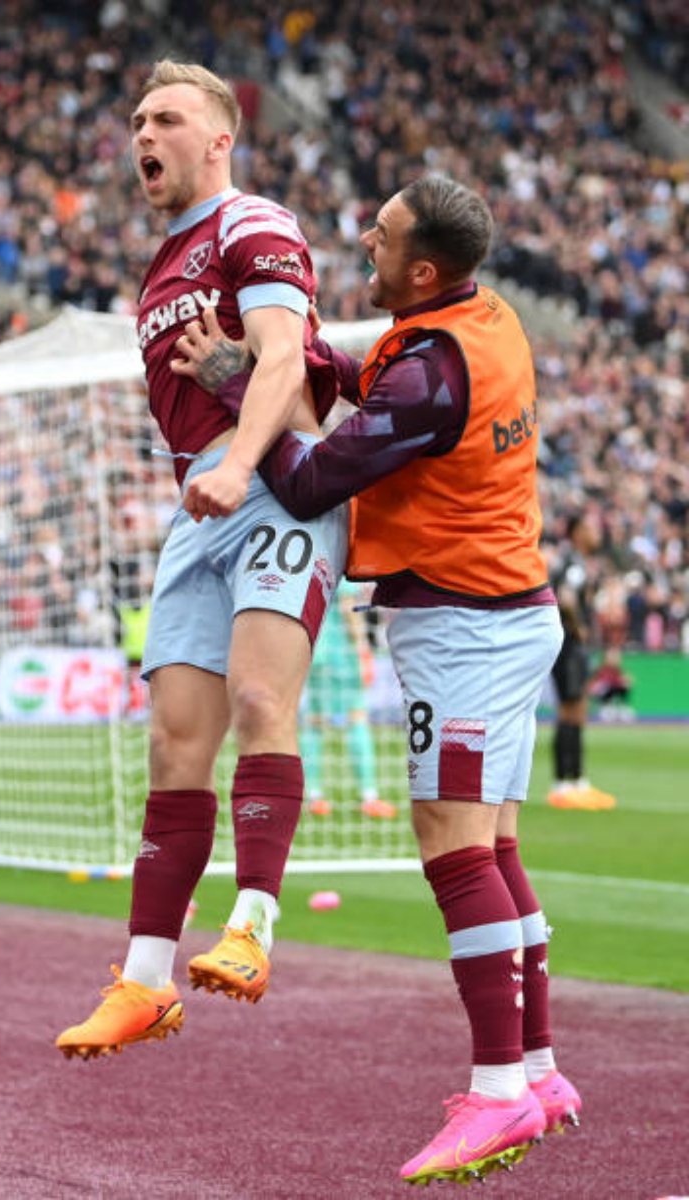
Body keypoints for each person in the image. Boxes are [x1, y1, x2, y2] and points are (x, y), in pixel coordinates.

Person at [175, 175, 581, 1186]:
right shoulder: (473, 320)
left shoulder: (435, 371)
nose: (367, 236)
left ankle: (493, 1097)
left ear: (423, 269)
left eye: (383, 235)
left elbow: (312, 480)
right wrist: (299, 350)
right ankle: (535, 1071)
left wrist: (240, 384)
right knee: (492, 844)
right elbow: (383, 380)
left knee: (452, 855)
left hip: (461, 627)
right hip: (507, 612)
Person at [55, 61, 349, 1060]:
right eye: (137, 119)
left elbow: (280, 355)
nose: (145, 133)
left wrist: (236, 460)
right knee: (176, 744)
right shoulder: (161, 264)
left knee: (263, 704)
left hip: (271, 488)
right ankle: (143, 981)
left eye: (167, 118)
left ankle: (253, 929)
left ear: (217, 138)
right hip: (200, 507)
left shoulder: (249, 225)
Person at [301, 578, 396, 819]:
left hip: (316, 653)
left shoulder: (318, 566)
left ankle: (314, 796)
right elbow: (349, 609)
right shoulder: (344, 571)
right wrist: (363, 650)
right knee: (357, 720)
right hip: (341, 656)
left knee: (314, 723)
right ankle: (369, 796)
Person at [547, 513, 617, 810]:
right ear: (576, 533)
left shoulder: (577, 563)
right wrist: (579, 627)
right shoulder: (573, 564)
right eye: (589, 527)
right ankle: (563, 783)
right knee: (569, 710)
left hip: (572, 645)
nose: (595, 531)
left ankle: (576, 779)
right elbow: (565, 598)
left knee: (577, 710)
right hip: (569, 645)